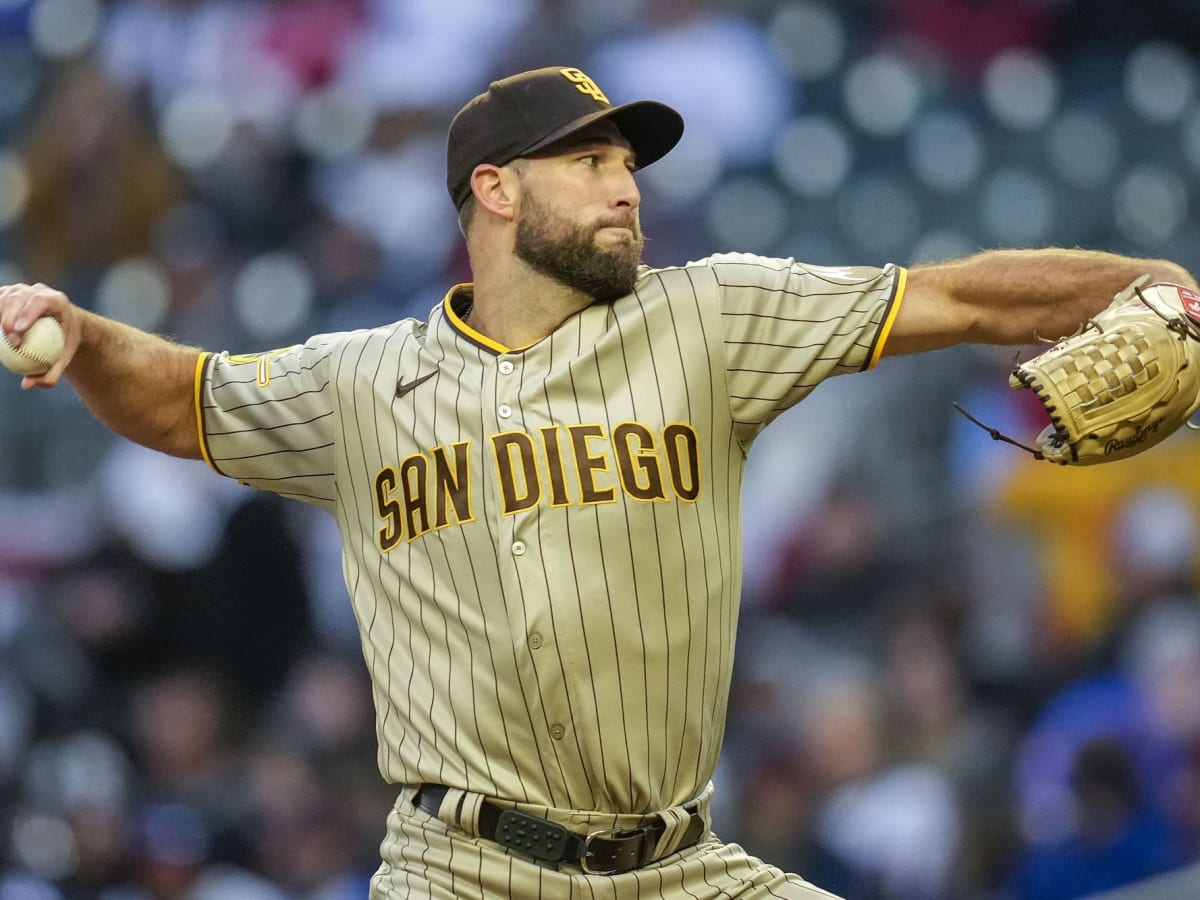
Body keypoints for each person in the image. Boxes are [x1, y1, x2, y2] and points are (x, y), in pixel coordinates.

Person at [0, 65, 1195, 899]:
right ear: (497, 191)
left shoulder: (712, 315)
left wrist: (1147, 279)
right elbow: (183, 396)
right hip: (459, 874)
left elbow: (960, 297)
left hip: (680, 866)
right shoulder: (360, 382)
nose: (627, 186)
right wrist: (89, 335)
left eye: (629, 161)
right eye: (590, 161)